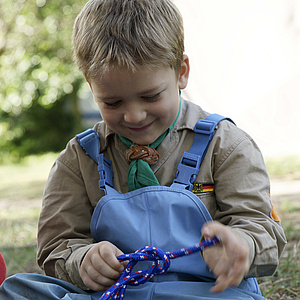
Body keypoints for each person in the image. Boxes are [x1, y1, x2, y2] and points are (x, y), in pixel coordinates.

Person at [0, 0, 286, 299]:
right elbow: (56, 247)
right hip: (114, 294)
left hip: (207, 293)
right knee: (17, 289)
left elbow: (262, 230)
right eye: (112, 103)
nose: (133, 115)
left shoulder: (226, 145)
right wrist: (82, 259)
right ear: (91, 86)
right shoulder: (79, 159)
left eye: (150, 96)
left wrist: (242, 245)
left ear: (181, 73)